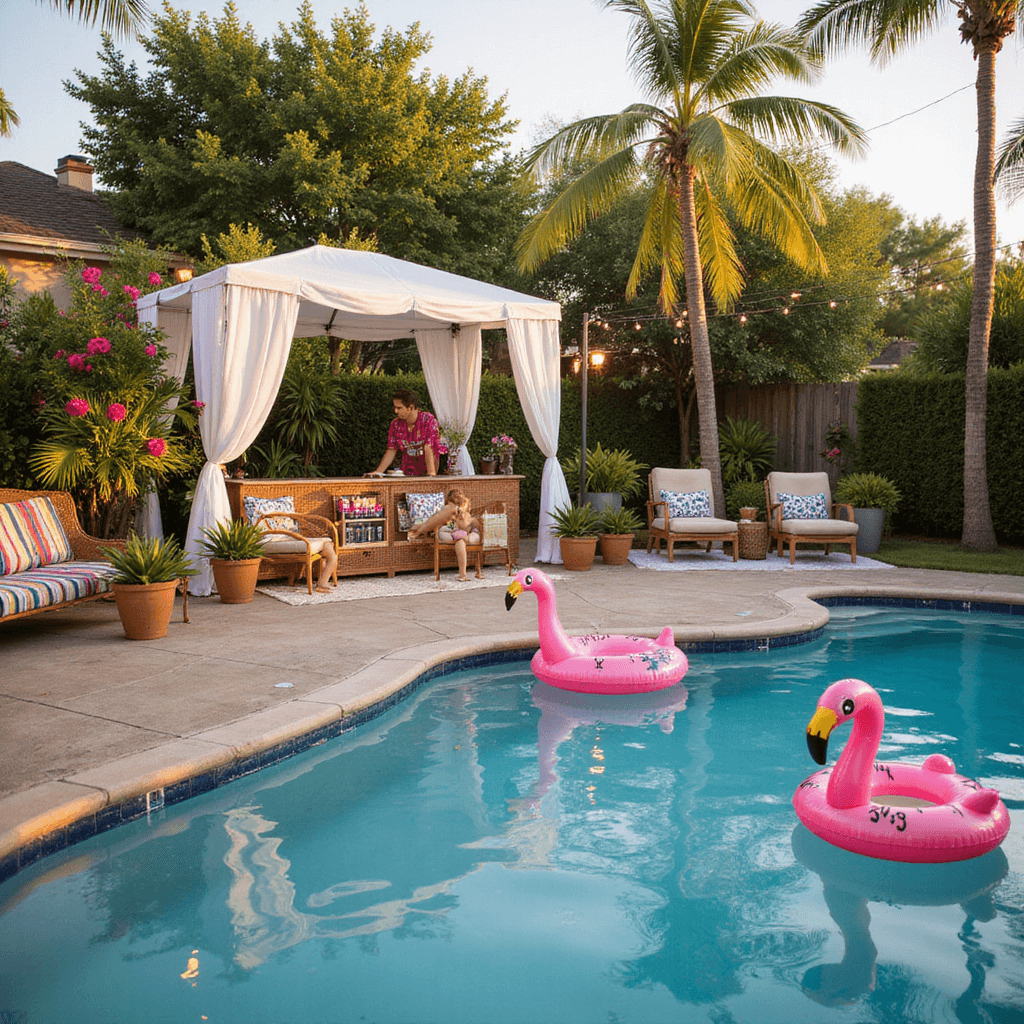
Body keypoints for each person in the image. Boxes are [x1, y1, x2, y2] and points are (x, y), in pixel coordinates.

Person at [408, 488, 481, 581]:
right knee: (458, 539)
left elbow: (468, 525)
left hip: (465, 534)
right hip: (453, 533)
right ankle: (463, 575)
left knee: (460, 541)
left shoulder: (462, 511)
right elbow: (436, 522)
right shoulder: (450, 510)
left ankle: (463, 575)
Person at [365, 389, 440, 477]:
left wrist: (431, 474)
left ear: (411, 407)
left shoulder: (427, 419)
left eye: (399, 408)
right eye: (395, 407)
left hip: (428, 468)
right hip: (407, 471)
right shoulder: (396, 424)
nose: (395, 411)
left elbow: (429, 446)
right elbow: (391, 449)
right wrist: (378, 472)